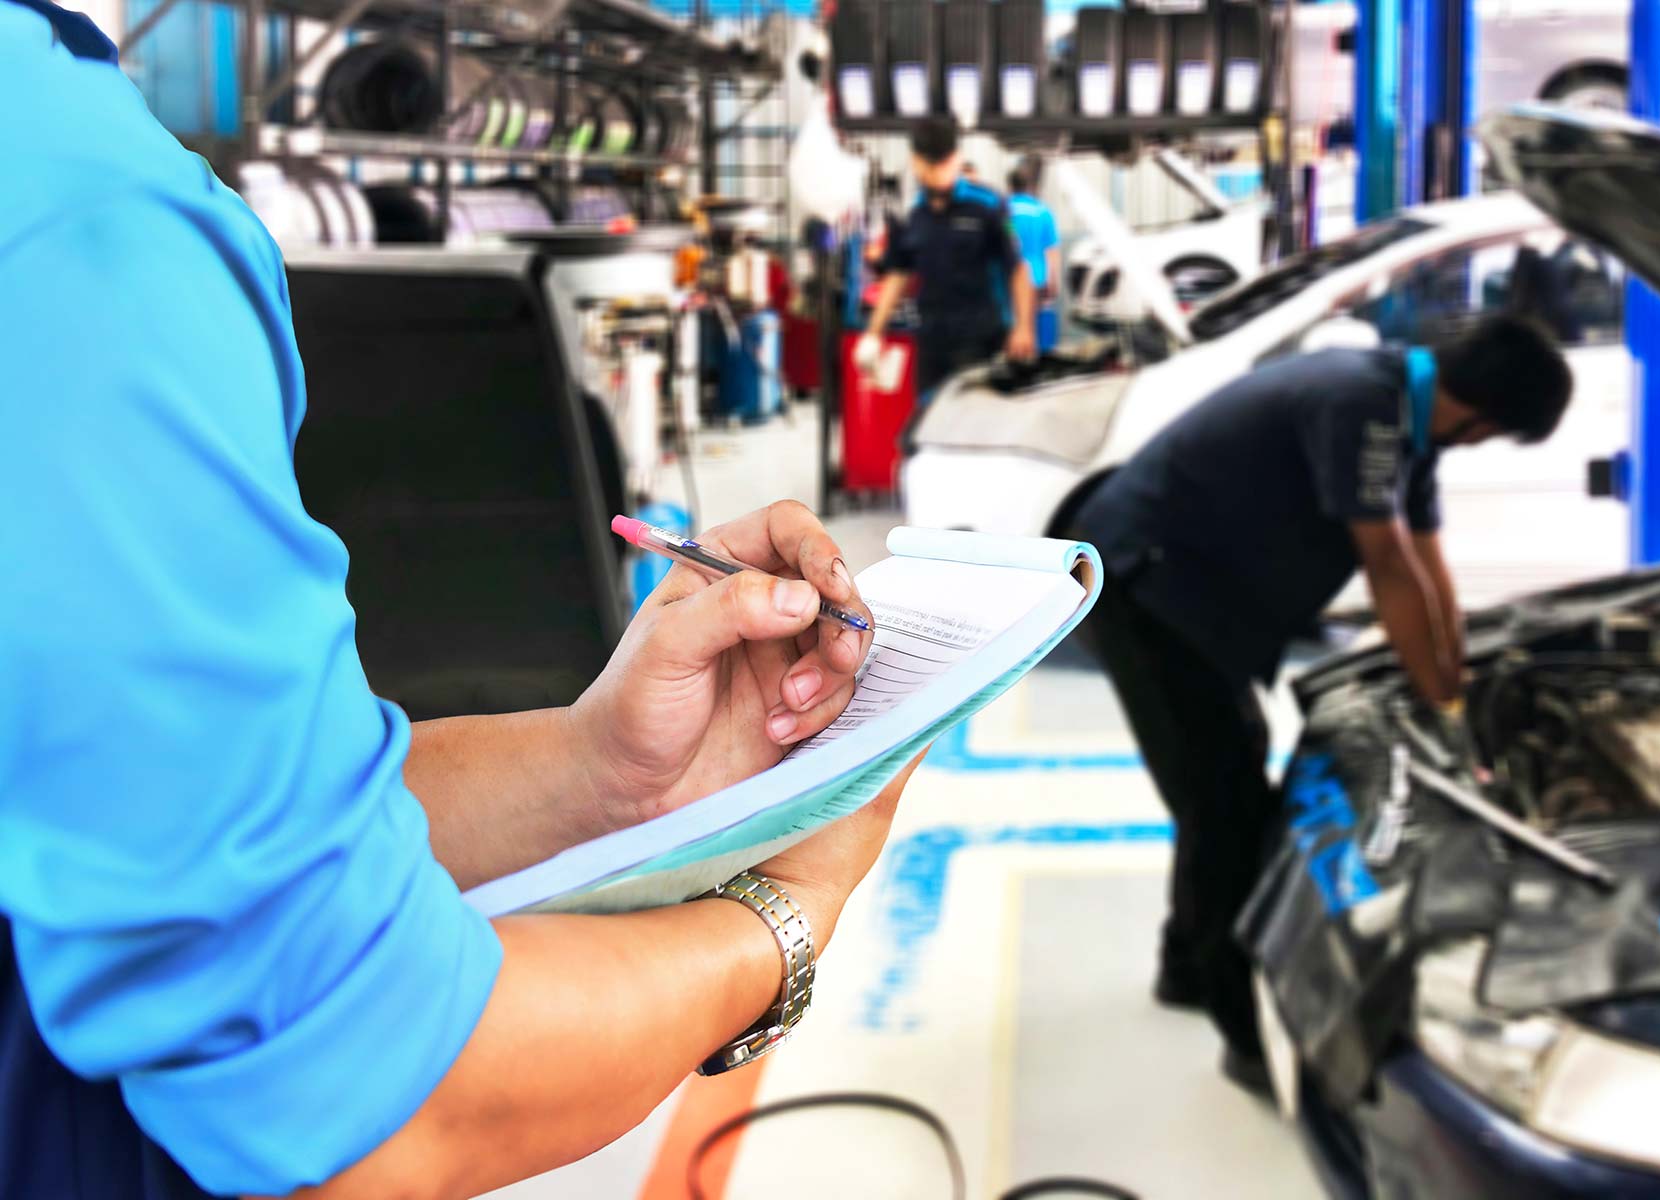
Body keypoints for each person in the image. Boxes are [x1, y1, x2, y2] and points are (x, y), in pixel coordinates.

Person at [0, 5, 917, 1197]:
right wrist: (781, 916)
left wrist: (600, 771)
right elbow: (373, 1110)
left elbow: (142, 818)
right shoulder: (75, 219)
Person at [1067, 317, 1573, 1095]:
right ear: (1481, 415)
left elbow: (1431, 562)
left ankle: (1184, 966)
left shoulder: (1408, 415)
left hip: (1194, 593)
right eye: (1494, 436)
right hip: (1144, 590)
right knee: (1228, 809)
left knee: (1223, 785)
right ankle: (1246, 1037)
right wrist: (1438, 702)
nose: (1480, 446)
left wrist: (1456, 691)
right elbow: (1389, 566)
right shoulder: (1359, 405)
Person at [855, 115, 1038, 406]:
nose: (942, 172)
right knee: (929, 424)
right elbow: (898, 275)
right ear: (916, 163)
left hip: (982, 340)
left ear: (957, 157)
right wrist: (874, 334)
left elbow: (1017, 268)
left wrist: (1024, 327)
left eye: (947, 162)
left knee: (974, 428)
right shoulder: (908, 214)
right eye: (933, 165)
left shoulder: (990, 204)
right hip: (931, 343)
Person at [1007, 155, 1062, 352]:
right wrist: (1053, 283)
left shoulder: (1005, 211)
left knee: (1016, 334)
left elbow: (1007, 244)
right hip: (1039, 280)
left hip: (1012, 282)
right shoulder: (1042, 212)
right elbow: (1051, 253)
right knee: (1041, 337)